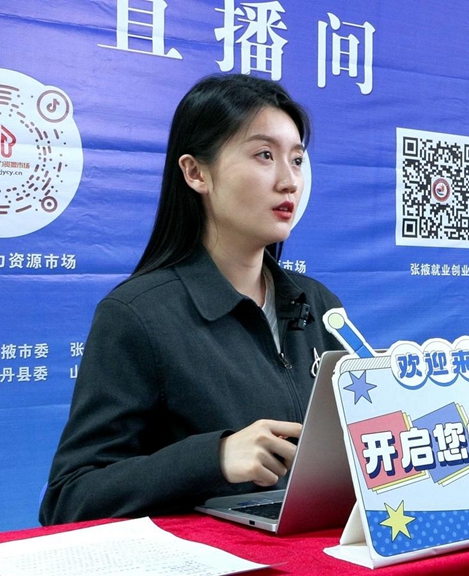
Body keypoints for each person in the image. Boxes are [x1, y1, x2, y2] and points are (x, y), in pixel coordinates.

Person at [40, 74, 345, 525]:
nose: (290, 181)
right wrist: (214, 458)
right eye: (264, 155)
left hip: (321, 552)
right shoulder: (136, 315)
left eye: (297, 160)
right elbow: (70, 497)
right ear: (196, 172)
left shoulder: (319, 304)